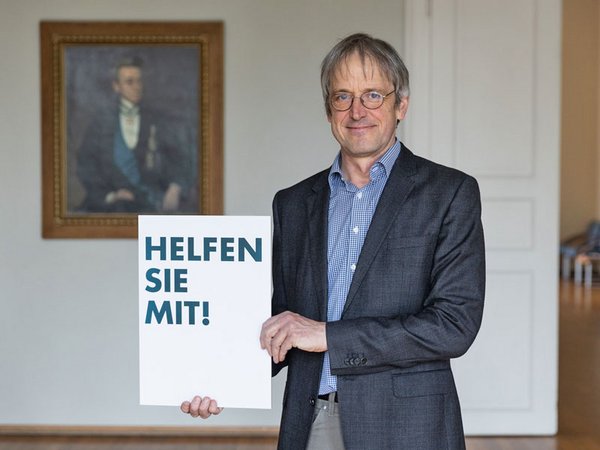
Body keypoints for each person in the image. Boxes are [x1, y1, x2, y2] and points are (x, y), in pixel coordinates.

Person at [181, 33, 485, 450]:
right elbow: (282, 322)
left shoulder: (449, 193)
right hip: (314, 420)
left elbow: (453, 326)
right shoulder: (291, 204)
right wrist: (218, 379)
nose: (357, 111)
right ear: (329, 110)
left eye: (373, 95)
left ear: (401, 105)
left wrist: (329, 335)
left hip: (410, 426)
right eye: (343, 97)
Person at [76, 57, 188, 213]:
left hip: (151, 202)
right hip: (112, 204)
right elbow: (85, 164)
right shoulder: (101, 122)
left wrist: (175, 187)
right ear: (116, 86)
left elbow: (179, 158)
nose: (137, 87)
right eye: (129, 82)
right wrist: (110, 195)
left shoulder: (157, 119)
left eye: (139, 81)